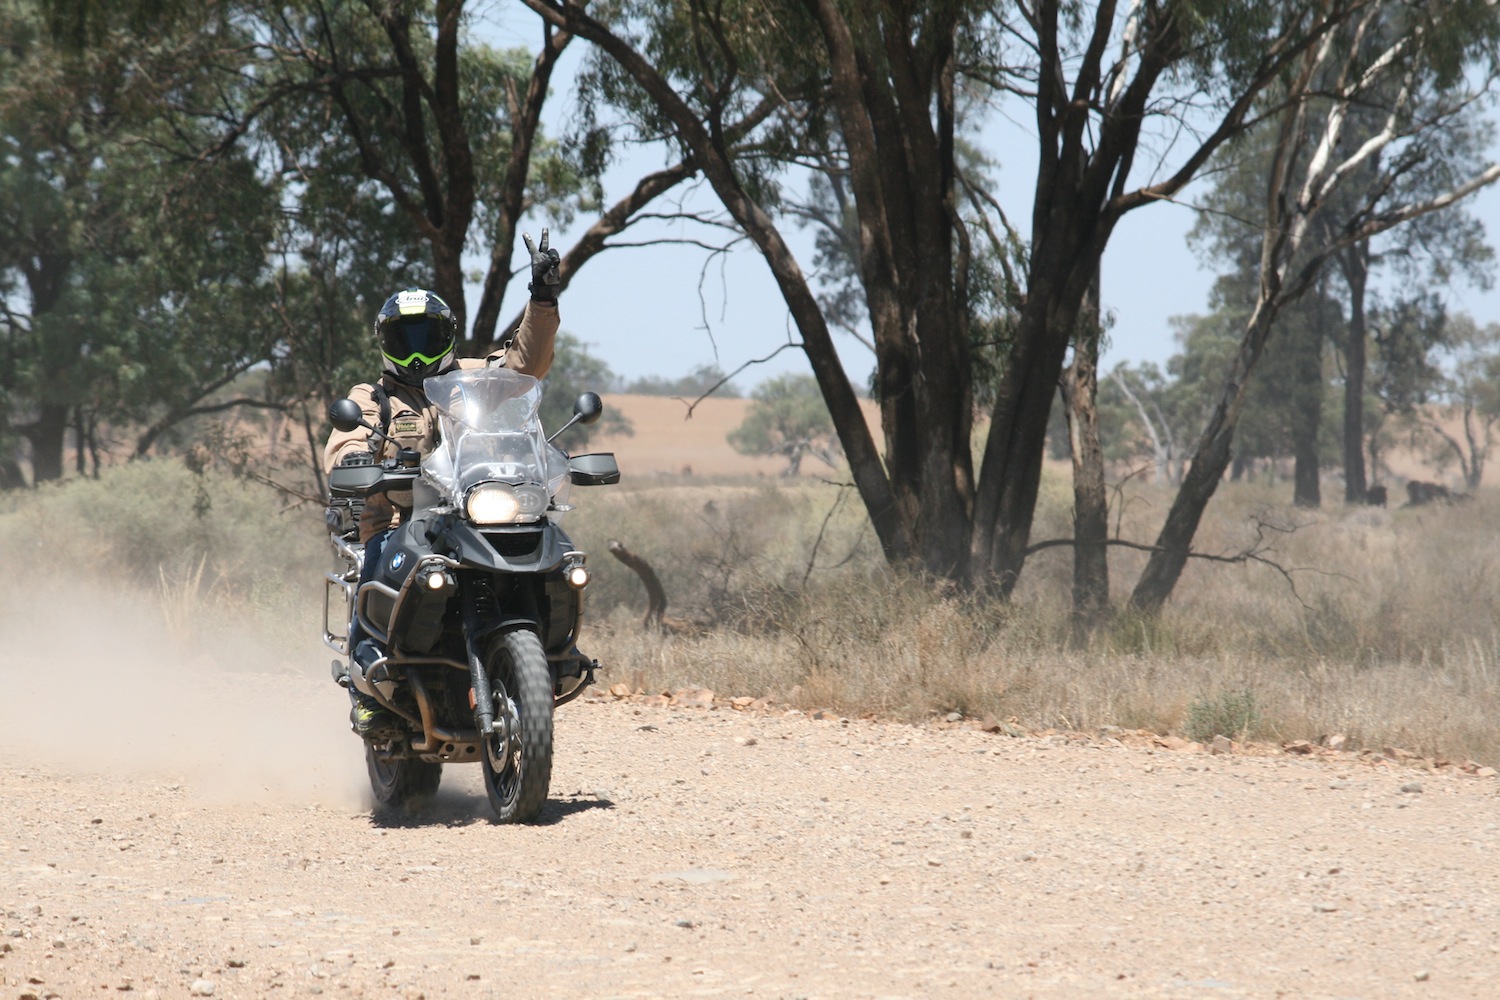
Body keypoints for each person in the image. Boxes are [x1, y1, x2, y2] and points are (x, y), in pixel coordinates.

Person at [325, 231, 561, 737]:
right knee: (375, 565)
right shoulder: (373, 398)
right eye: (403, 340)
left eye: (426, 339)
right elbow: (343, 445)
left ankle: (547, 652)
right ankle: (364, 680)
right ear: (385, 344)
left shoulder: (474, 379)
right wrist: (360, 457)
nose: (416, 352)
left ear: (447, 337)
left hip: (471, 514)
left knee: (556, 551)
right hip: (399, 521)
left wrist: (541, 300)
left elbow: (526, 367)